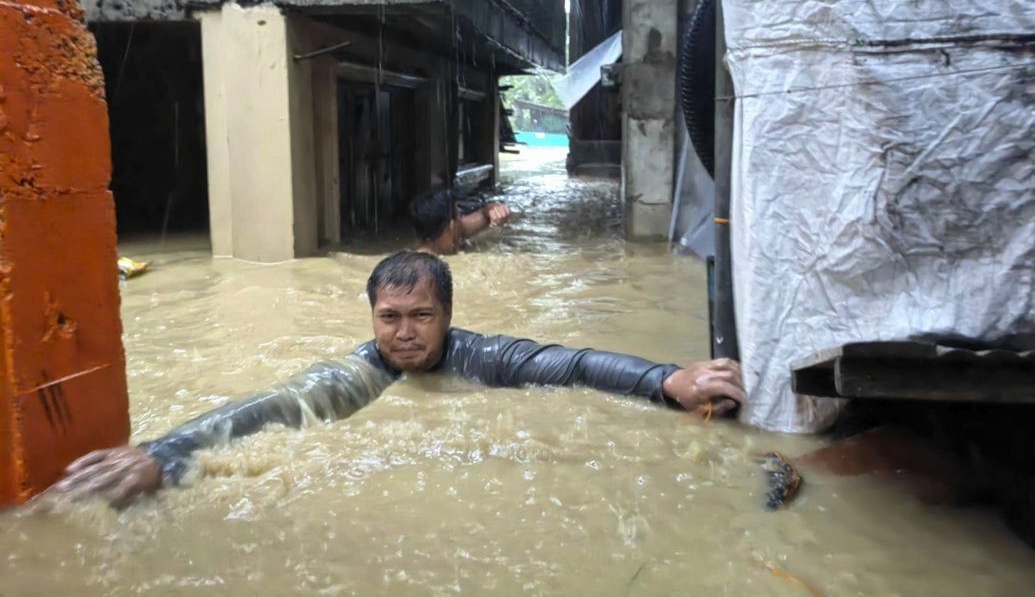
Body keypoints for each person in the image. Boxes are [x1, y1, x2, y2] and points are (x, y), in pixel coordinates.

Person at [53, 251, 746, 507]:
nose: (405, 333)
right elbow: (277, 407)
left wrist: (666, 381)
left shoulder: (482, 357)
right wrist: (166, 455)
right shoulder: (363, 372)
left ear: (448, 316)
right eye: (390, 317)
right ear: (372, 316)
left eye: (421, 316)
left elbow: (572, 364)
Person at [410, 188, 511, 255]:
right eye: (460, 215)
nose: (462, 219)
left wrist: (494, 209)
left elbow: (483, 214)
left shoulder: (440, 234)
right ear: (452, 225)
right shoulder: (429, 265)